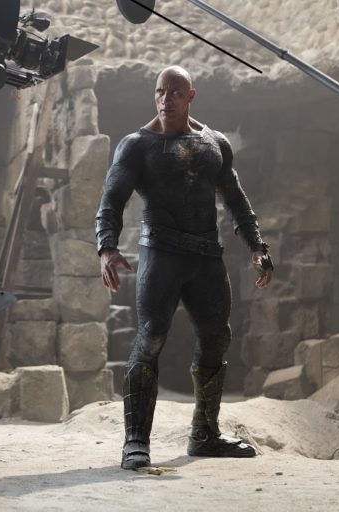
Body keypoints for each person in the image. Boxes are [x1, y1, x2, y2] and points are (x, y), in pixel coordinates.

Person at [95, 66, 274, 470]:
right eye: (160, 92)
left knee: (217, 338)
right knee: (151, 338)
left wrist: (257, 246)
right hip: (161, 253)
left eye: (175, 92)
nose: (166, 99)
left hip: (207, 256)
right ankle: (135, 441)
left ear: (190, 96)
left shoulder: (214, 144)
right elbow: (111, 201)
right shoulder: (136, 146)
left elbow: (236, 199)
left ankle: (205, 434)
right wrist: (106, 248)